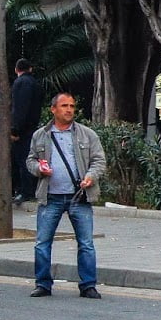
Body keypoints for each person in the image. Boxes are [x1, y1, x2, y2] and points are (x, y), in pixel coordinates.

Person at [26, 92, 105, 299]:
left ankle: (88, 285)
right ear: (53, 109)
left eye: (71, 106)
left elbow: (99, 161)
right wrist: (39, 169)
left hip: (79, 197)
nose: (69, 110)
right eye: (64, 106)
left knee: (86, 243)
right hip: (50, 197)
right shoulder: (40, 135)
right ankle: (43, 283)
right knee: (42, 243)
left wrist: (90, 176)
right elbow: (30, 161)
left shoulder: (87, 134)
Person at [10, 59, 41, 203]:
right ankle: (31, 190)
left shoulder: (20, 83)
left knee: (22, 160)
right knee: (30, 158)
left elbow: (19, 109)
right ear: (30, 69)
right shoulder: (35, 83)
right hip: (33, 127)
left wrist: (15, 130)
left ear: (16, 70)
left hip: (23, 130)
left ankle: (25, 191)